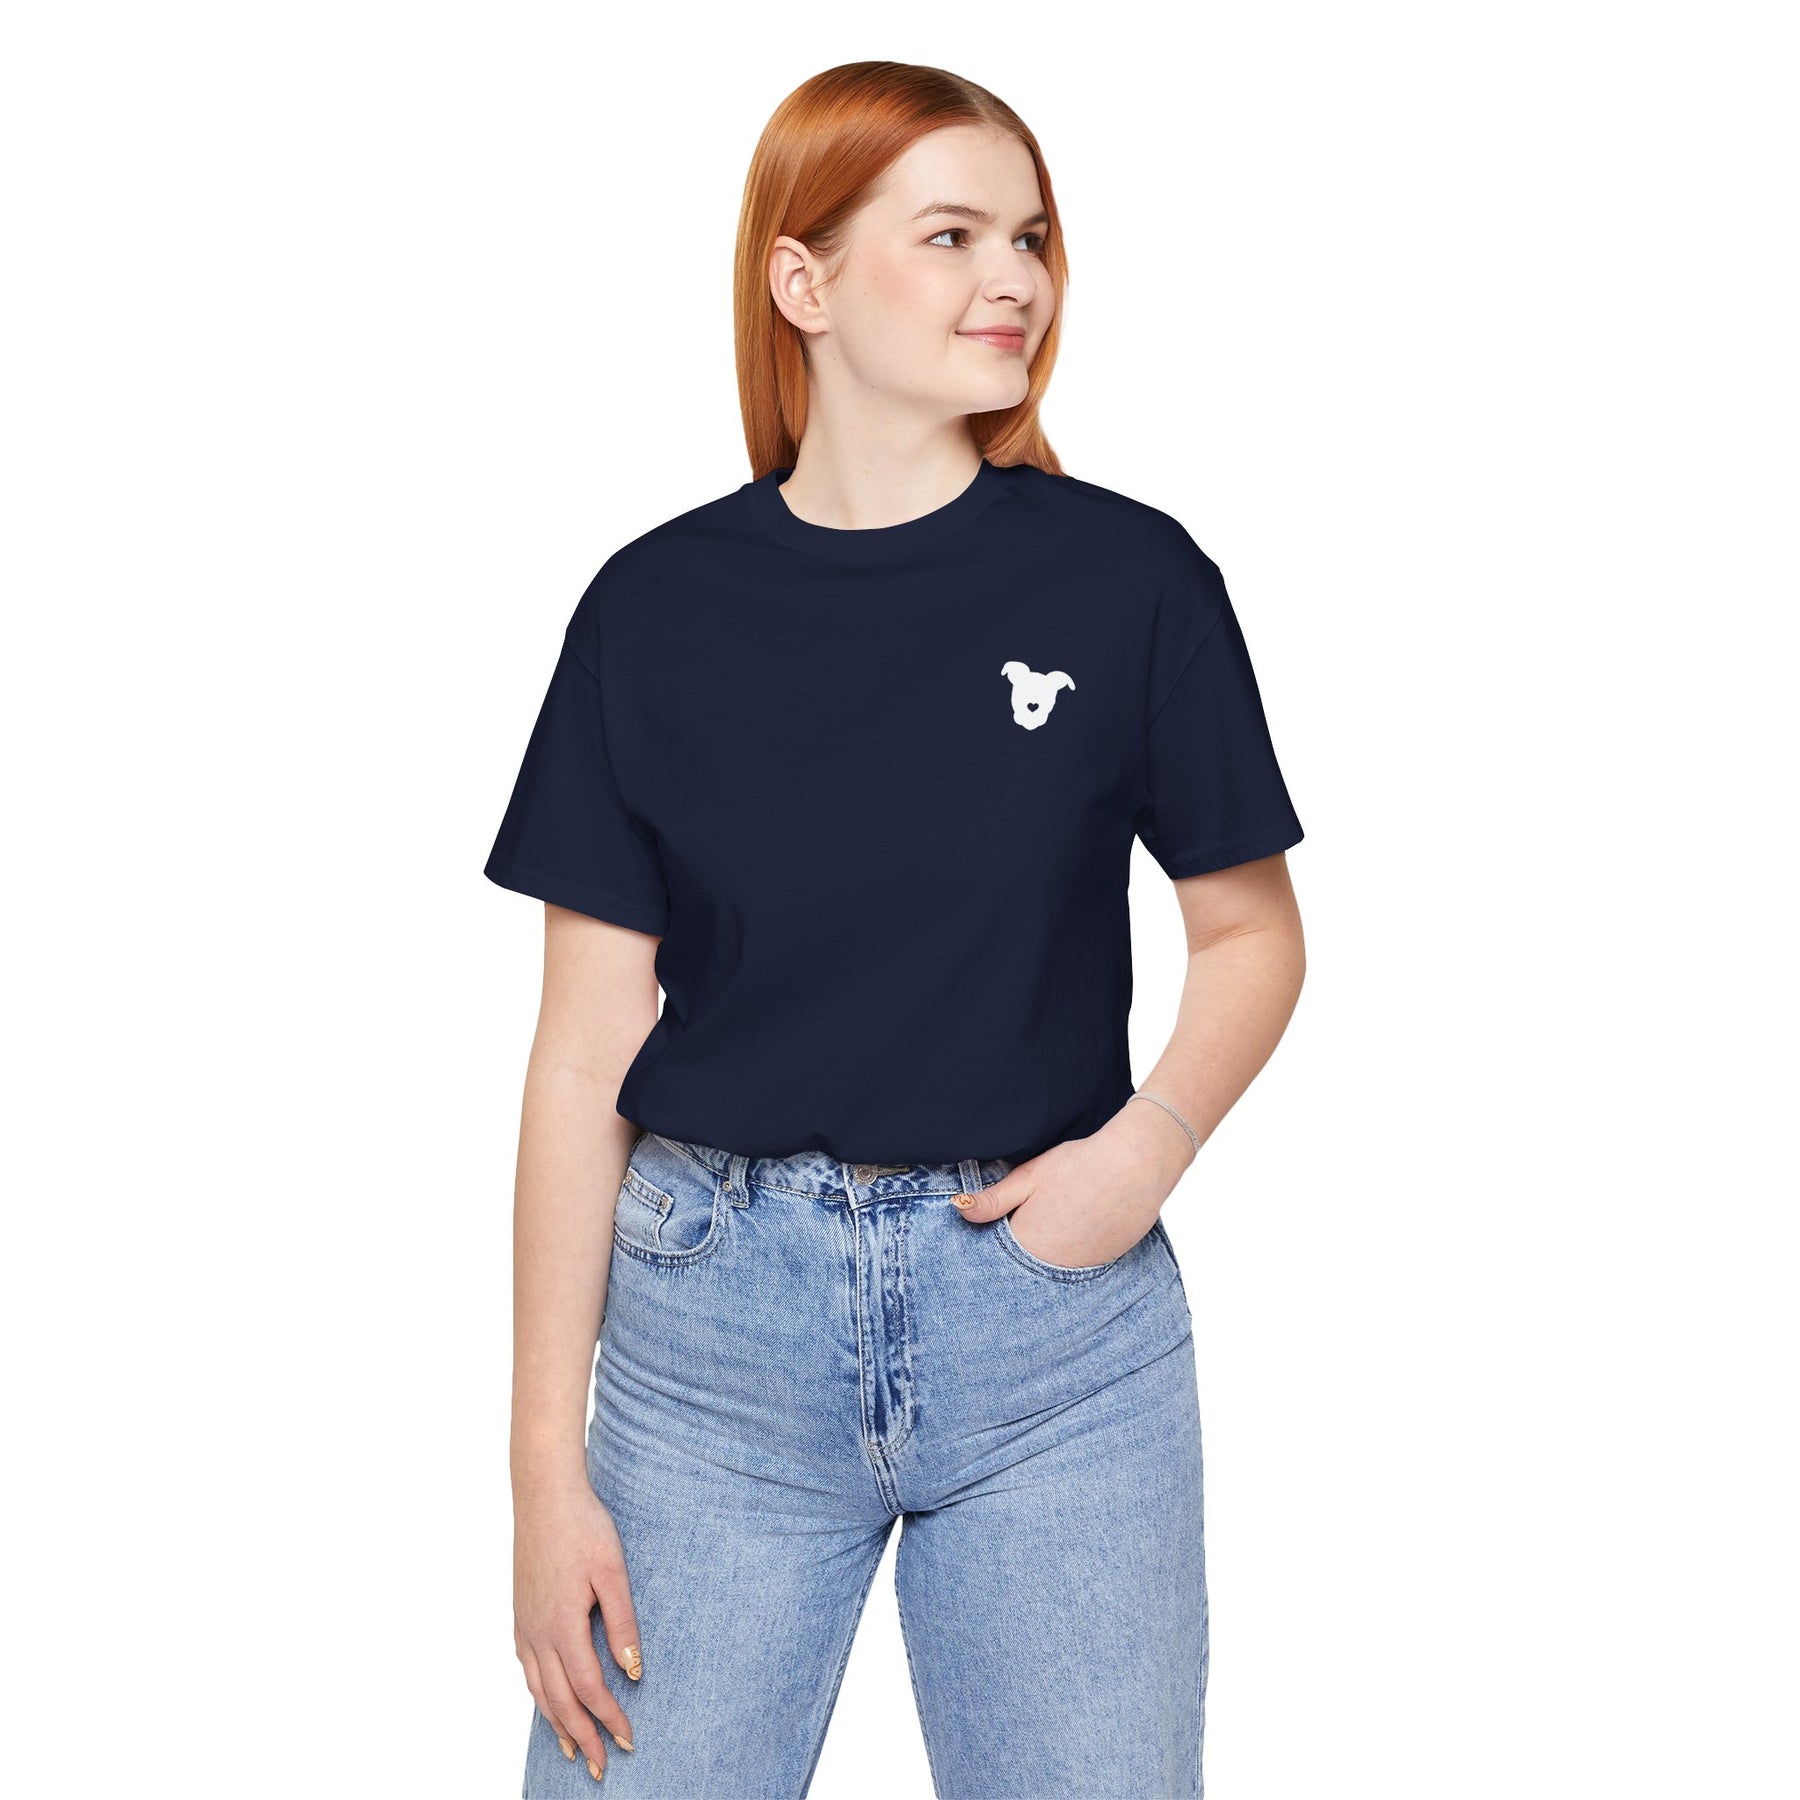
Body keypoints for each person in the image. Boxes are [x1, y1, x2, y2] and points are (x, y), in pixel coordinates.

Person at [485, 60, 1306, 1800]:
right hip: (708, 1348)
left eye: (1031, 239)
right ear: (804, 281)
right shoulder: (652, 609)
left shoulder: (1133, 581)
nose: (1014, 279)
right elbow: (581, 1054)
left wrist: (1145, 1149)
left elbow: (1250, 936)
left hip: (1056, 1343)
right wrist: (543, 1471)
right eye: (952, 237)